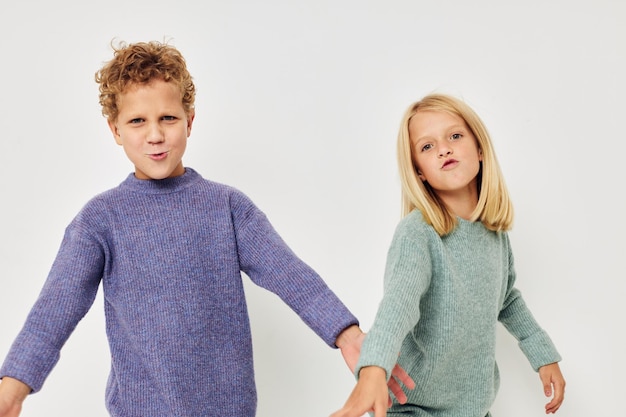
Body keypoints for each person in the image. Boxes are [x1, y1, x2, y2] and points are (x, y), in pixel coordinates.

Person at [0, 41, 413, 417]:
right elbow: (55, 309)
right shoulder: (100, 220)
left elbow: (290, 274)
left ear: (190, 120)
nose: (156, 135)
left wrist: (346, 333)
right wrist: (14, 387)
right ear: (115, 130)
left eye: (168, 118)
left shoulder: (226, 207)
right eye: (138, 121)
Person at [330, 94, 566, 417]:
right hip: (414, 407)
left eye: (455, 136)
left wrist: (542, 353)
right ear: (420, 172)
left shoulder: (494, 234)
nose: (444, 148)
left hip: (473, 408)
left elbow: (506, 299)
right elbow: (397, 307)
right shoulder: (418, 233)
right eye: (427, 146)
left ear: (480, 149)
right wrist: (374, 368)